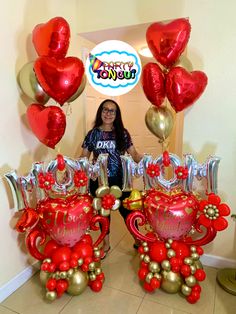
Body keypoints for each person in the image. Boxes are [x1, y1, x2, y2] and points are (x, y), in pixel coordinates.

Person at [80, 99, 143, 258]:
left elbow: (134, 154)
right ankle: (106, 244)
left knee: (128, 211)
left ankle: (139, 239)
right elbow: (83, 158)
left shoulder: (122, 133)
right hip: (100, 182)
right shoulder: (93, 134)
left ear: (117, 114)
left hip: (121, 181)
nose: (108, 113)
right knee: (104, 215)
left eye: (112, 110)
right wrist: (70, 168)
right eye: (105, 110)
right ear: (100, 112)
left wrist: (149, 162)